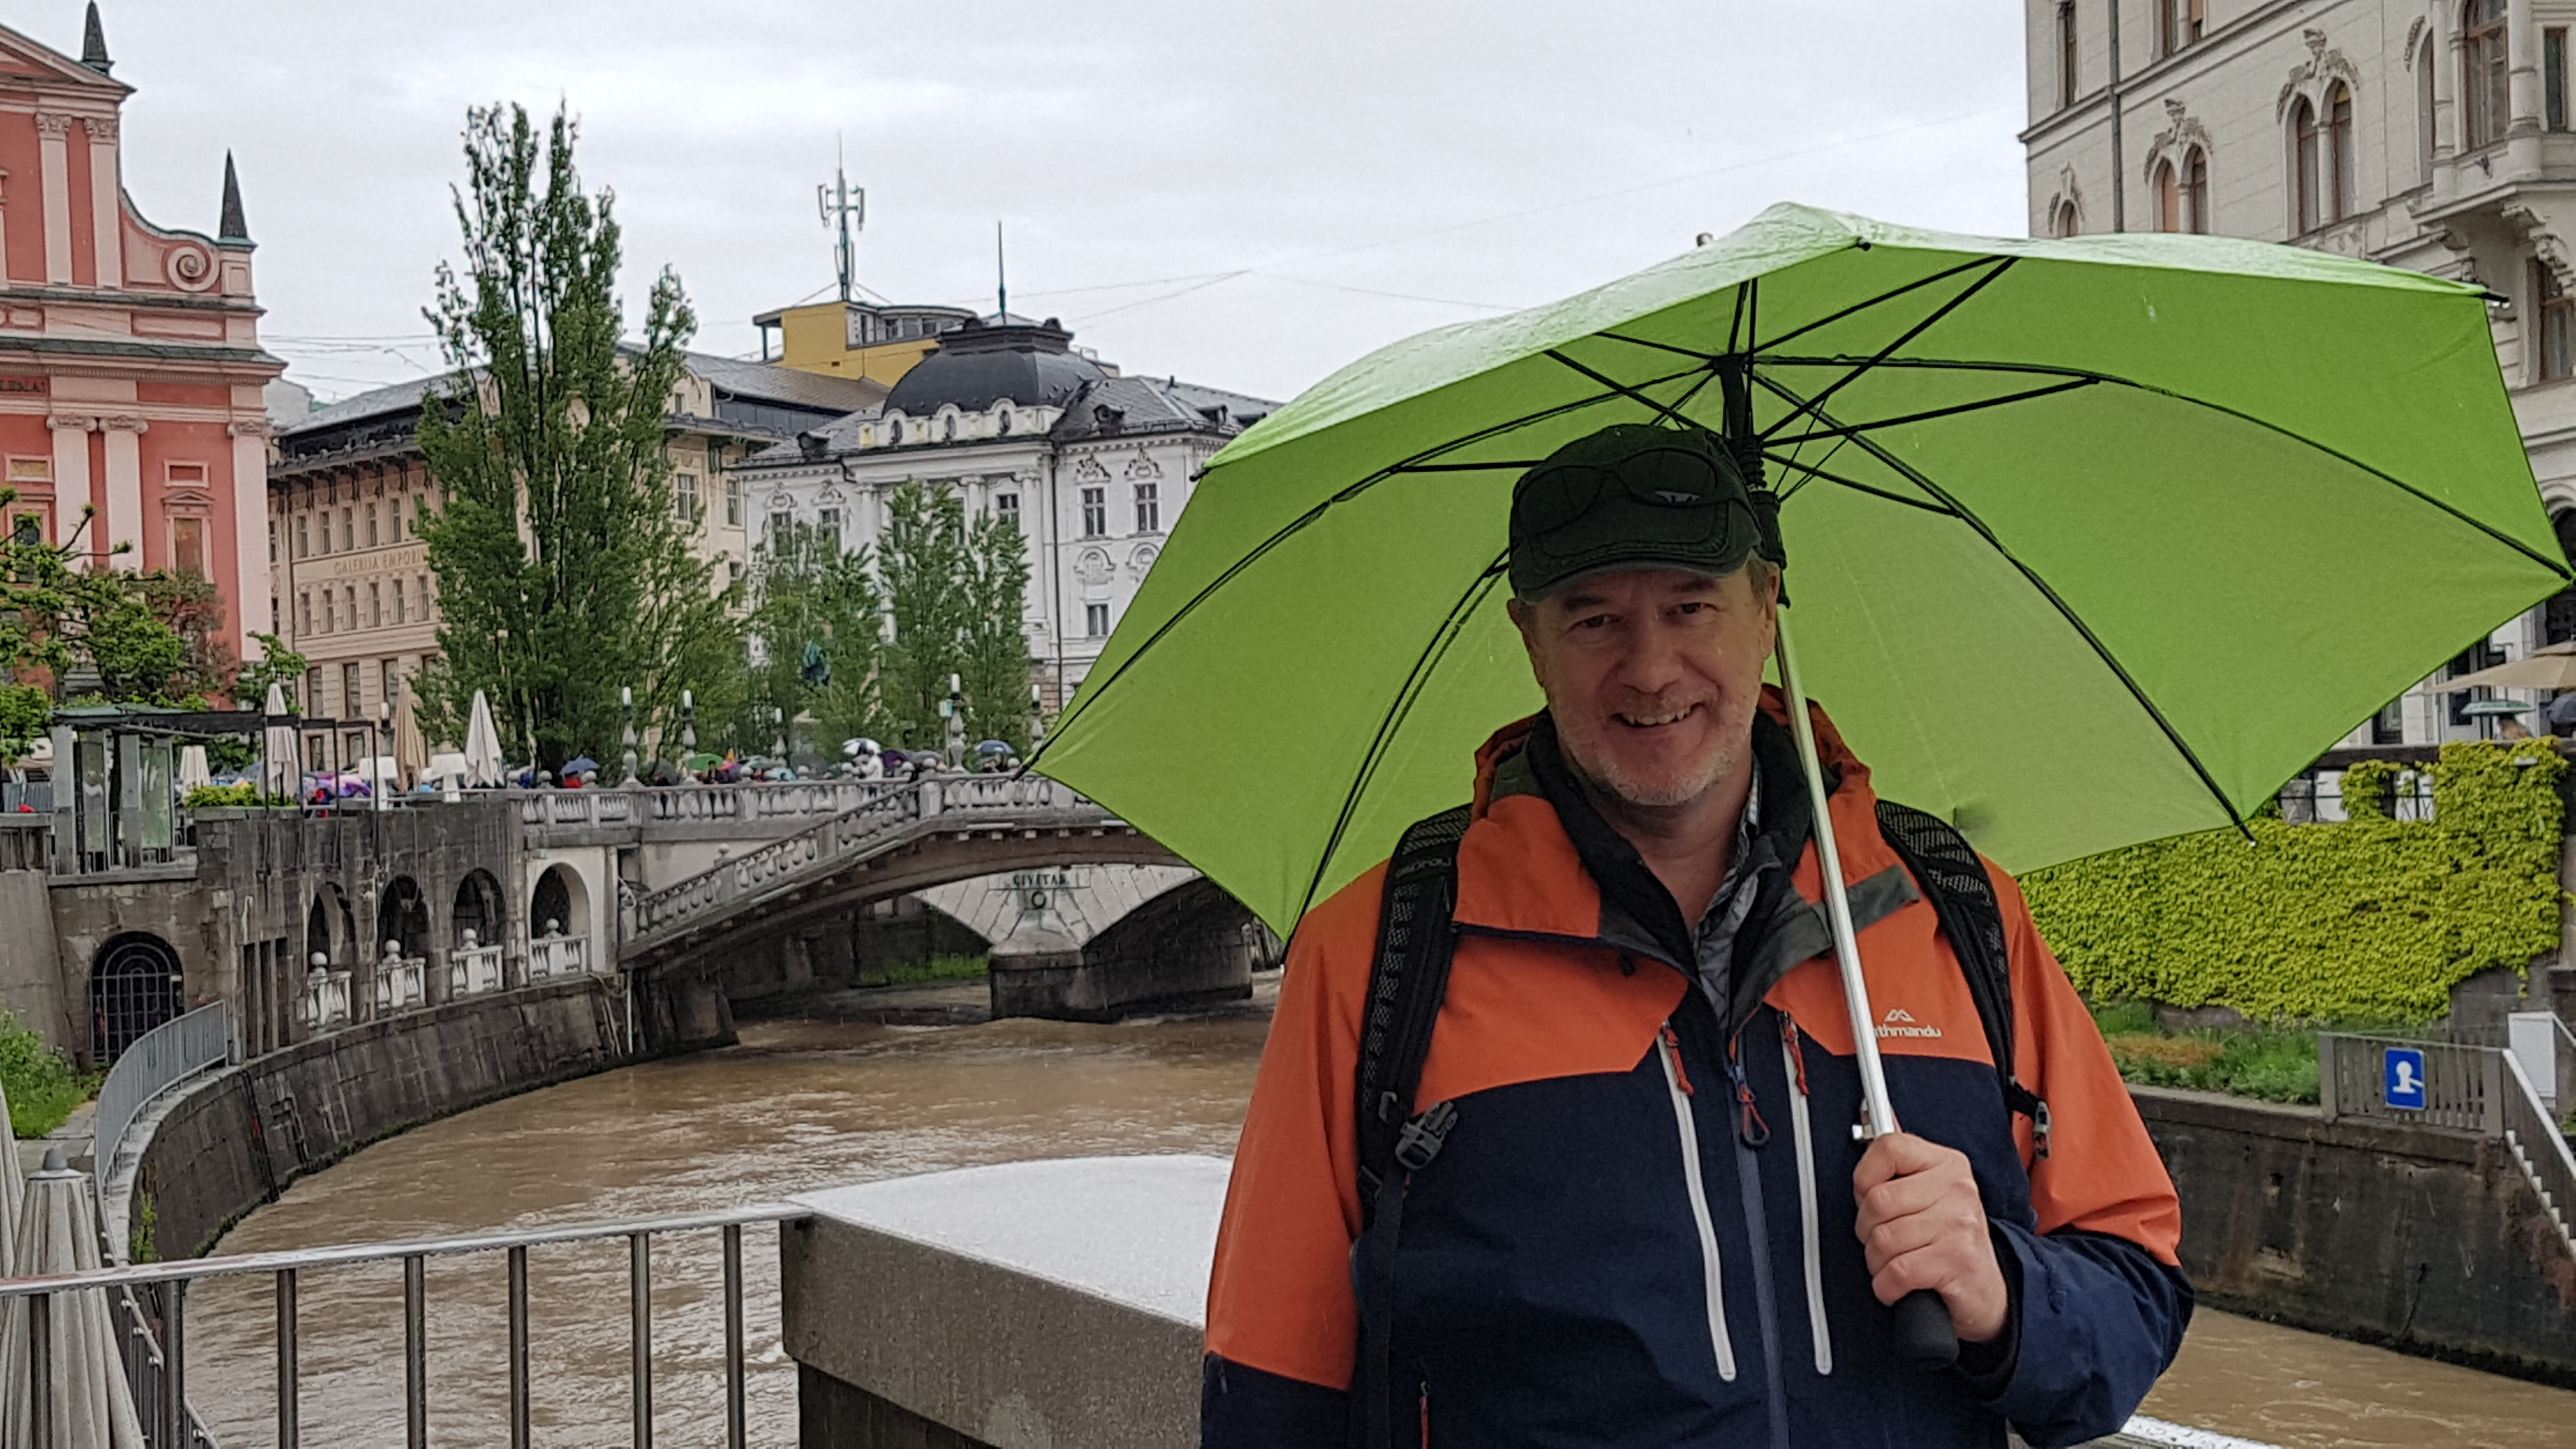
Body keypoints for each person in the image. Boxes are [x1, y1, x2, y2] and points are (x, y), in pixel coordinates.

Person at [1201, 425, 2189, 1448]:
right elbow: (1270, 1379)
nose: (1650, 669)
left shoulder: (1951, 908)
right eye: (1594, 620)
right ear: (1530, 638)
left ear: (1766, 607)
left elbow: (2134, 1294)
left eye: (1691, 607)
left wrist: (2001, 1294)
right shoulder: (1381, 950)